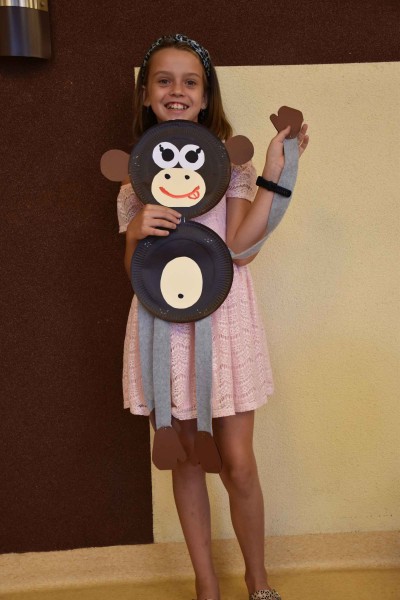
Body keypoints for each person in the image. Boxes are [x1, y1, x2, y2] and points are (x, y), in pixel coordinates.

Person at [117, 34, 309, 600]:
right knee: (186, 459)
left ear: (205, 97)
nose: (176, 90)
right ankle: (207, 584)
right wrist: (135, 232)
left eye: (189, 82)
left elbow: (241, 248)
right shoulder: (135, 181)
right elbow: (134, 272)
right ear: (147, 94)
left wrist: (274, 171)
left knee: (238, 461)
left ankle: (257, 578)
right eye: (164, 80)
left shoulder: (231, 167)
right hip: (163, 331)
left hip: (223, 326)